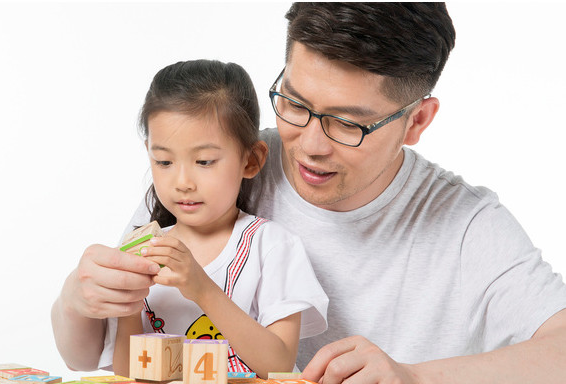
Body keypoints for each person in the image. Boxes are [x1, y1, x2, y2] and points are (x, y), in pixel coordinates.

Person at [52, 3, 566, 383]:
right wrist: (77, 298)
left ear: (416, 121)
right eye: (294, 104)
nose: (310, 147)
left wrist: (412, 377)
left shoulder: (467, 224)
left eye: (348, 123)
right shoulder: (224, 166)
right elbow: (97, 349)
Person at [54, 59, 328, 379]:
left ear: (251, 160)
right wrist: (129, 302)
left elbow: (279, 364)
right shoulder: (144, 248)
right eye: (164, 161)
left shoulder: (271, 246)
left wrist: (201, 288)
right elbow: (129, 373)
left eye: (204, 161)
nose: (182, 181)